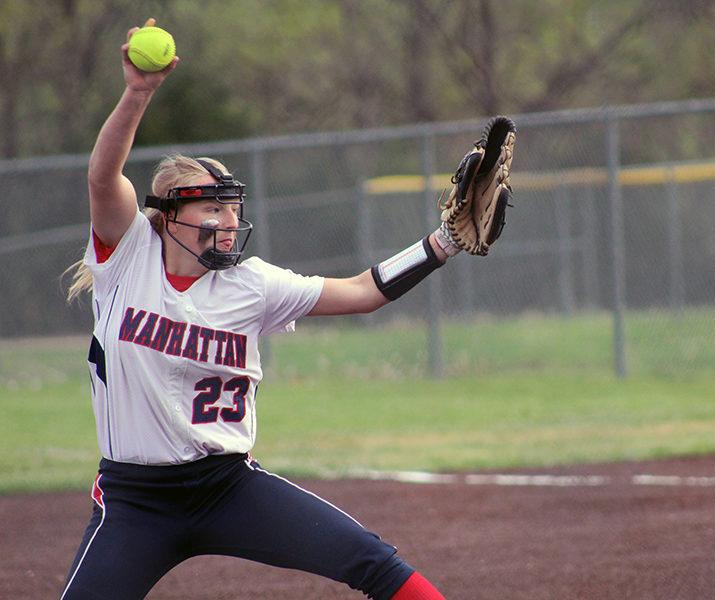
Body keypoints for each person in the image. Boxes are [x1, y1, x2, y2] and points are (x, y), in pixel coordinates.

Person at [60, 20, 461, 599]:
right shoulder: (127, 257)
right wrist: (139, 92)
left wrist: (441, 244)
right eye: (211, 209)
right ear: (168, 214)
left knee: (371, 560)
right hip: (135, 501)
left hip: (228, 488)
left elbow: (365, 291)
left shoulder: (253, 285)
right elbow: (102, 176)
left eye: (232, 209)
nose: (228, 222)